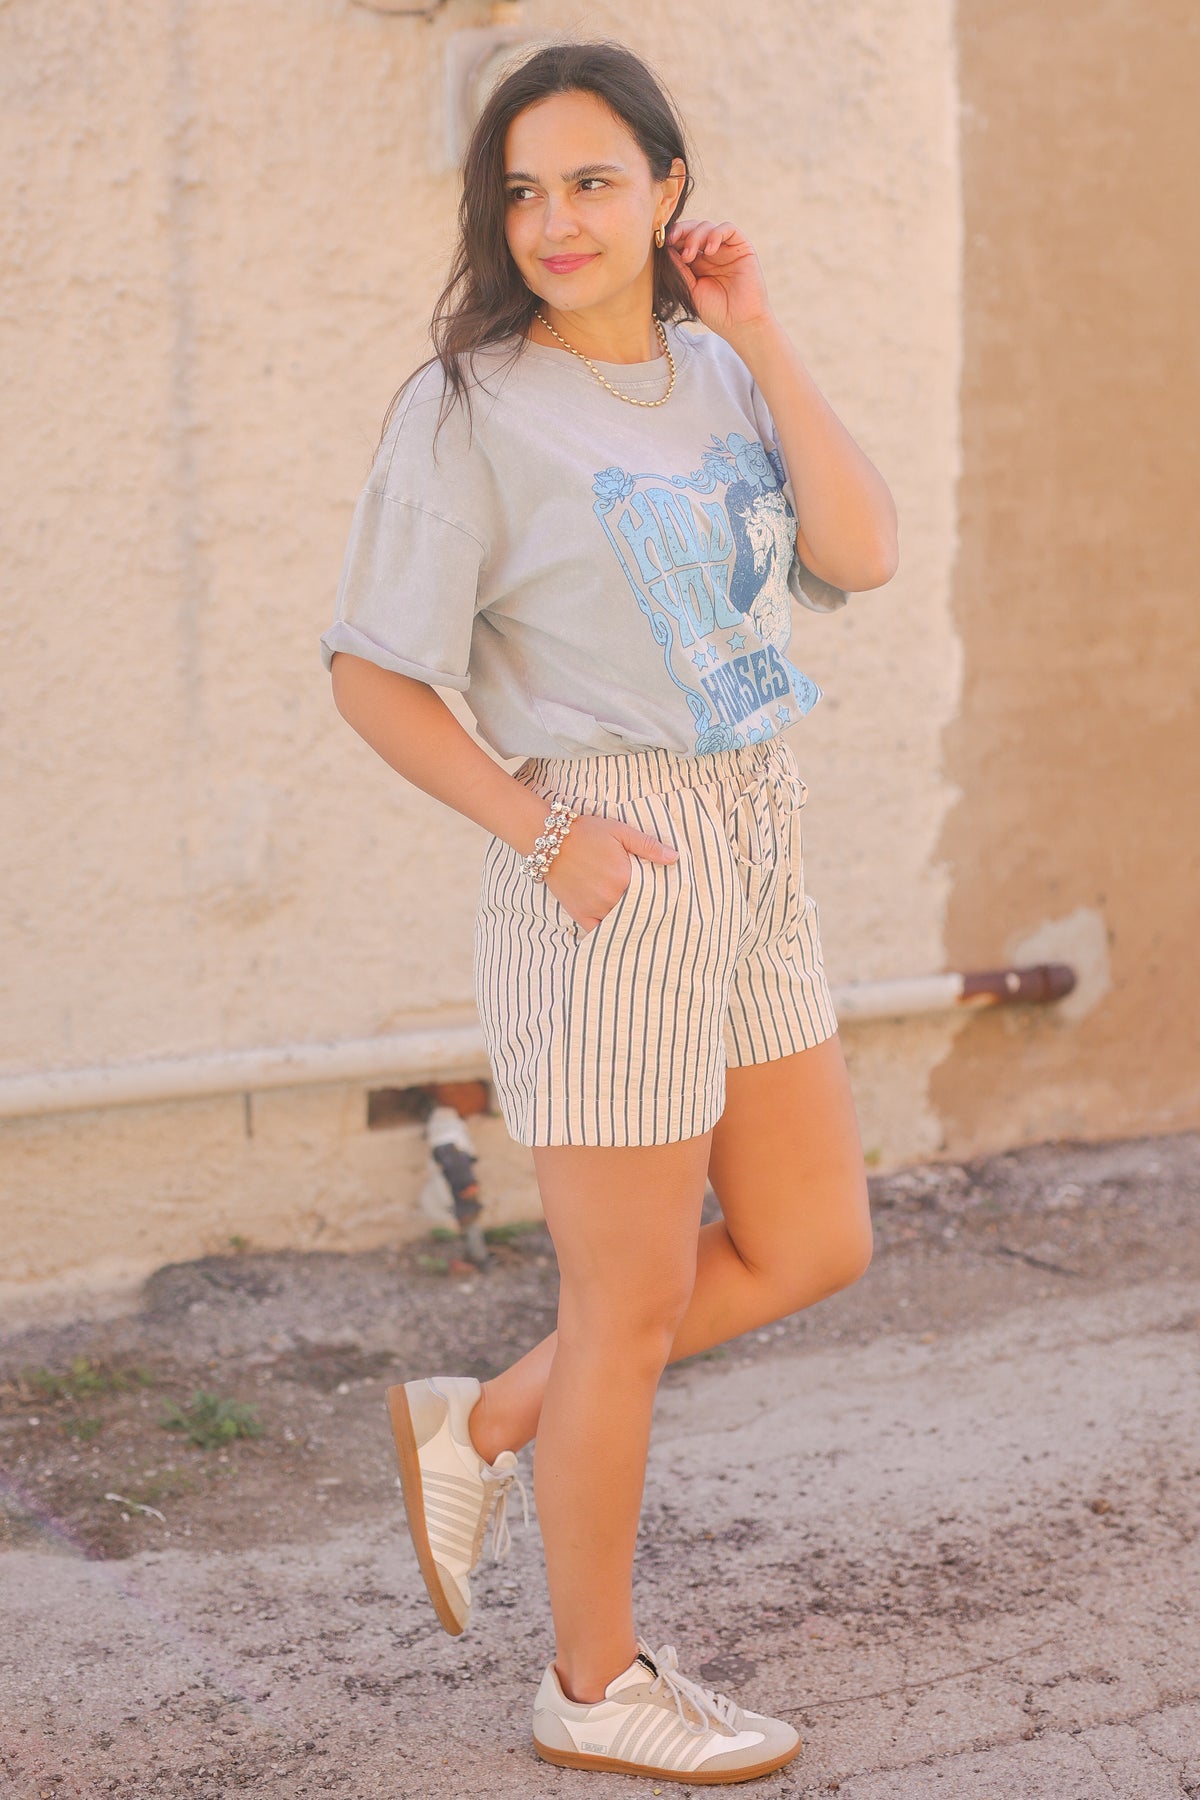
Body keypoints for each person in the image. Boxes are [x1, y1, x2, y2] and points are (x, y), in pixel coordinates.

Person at [320, 36, 897, 1786]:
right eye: (521, 187)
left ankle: (490, 1415)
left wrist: (761, 329)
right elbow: (371, 674)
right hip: (607, 852)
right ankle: (593, 1682)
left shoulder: (719, 377)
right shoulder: (471, 403)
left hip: (751, 831)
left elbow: (858, 555)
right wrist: (535, 829)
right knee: (628, 1304)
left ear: (666, 191)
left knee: (814, 1242)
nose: (554, 218)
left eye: (590, 179)